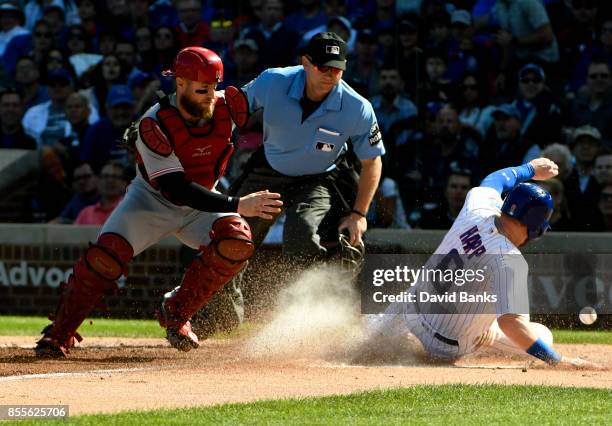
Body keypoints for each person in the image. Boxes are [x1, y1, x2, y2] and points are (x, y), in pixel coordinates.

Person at [34, 46, 282, 358]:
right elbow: (175, 187)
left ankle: (176, 312)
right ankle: (59, 333)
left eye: (215, 88)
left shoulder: (228, 106)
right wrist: (236, 204)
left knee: (237, 241)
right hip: (151, 200)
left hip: (202, 200)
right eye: (203, 89)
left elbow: (270, 86)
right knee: (105, 258)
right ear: (180, 85)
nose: (211, 96)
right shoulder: (155, 122)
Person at [192, 32, 384, 338]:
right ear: (305, 63)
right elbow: (231, 108)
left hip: (319, 179)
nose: (330, 75)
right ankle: (221, 314)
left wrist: (359, 214)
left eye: (337, 69)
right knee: (233, 236)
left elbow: (372, 162)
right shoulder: (272, 82)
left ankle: (313, 315)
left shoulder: (357, 107)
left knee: (303, 234)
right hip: (268, 171)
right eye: (323, 67)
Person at [365, 157, 602, 370]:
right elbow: (511, 324)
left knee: (357, 341)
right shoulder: (509, 260)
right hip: (443, 347)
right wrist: (556, 361)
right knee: (542, 337)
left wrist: (529, 169)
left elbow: (495, 179)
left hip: (408, 309)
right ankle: (473, 340)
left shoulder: (477, 207)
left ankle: (371, 332)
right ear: (534, 228)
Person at [74, 161, 127, 225]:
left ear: (124, 183)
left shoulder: (131, 211)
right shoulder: (86, 213)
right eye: (105, 176)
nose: (109, 180)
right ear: (98, 181)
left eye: (115, 176)